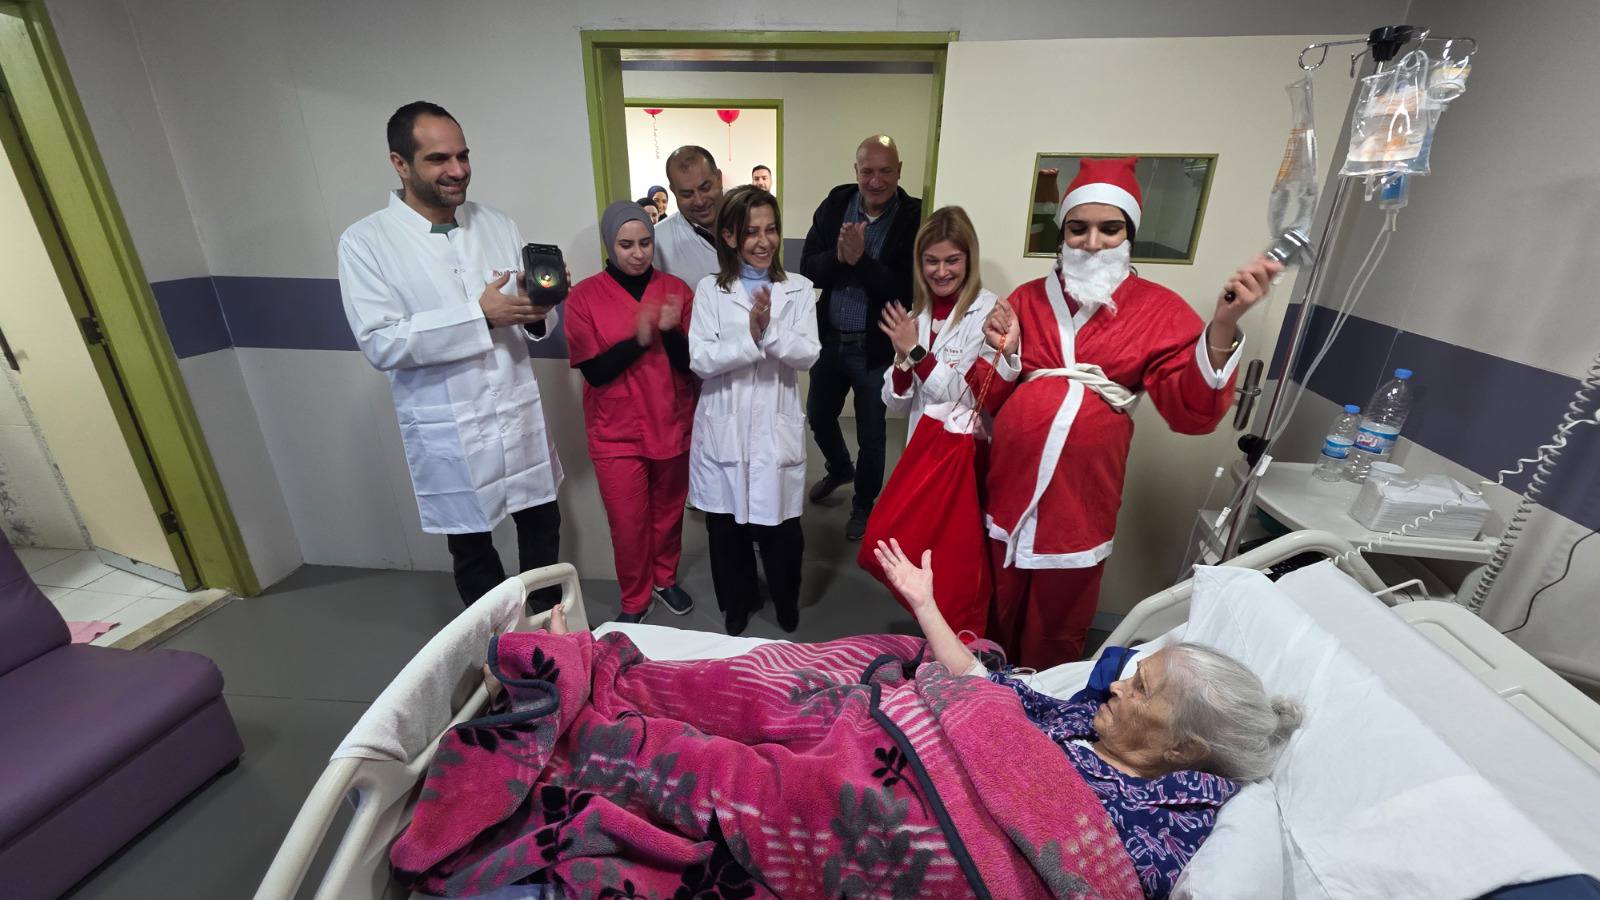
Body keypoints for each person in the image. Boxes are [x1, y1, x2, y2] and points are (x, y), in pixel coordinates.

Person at [973, 156, 1281, 667]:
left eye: (1109, 229)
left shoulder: (1159, 310)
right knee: (995, 602)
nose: (1092, 242)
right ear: (1062, 233)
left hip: (1081, 494)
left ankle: (1044, 698)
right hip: (1011, 484)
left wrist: (1224, 324)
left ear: (1129, 235)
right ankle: (985, 691)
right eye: (1078, 228)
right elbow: (987, 398)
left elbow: (1192, 413)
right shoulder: (1025, 299)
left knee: (1058, 618)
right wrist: (1002, 353)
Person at [874, 537, 1303, 899]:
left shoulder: (1160, 827)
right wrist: (925, 604)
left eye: (1140, 689)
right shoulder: (1084, 719)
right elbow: (981, 686)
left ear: (1183, 748)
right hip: (902, 751)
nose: (1115, 686)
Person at [338, 101, 563, 608]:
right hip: (449, 425)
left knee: (543, 527)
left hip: (516, 411)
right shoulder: (365, 243)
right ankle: (497, 642)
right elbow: (380, 341)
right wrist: (479, 316)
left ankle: (551, 634)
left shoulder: (497, 223)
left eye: (463, 155)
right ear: (400, 163)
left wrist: (539, 306)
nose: (457, 170)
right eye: (438, 159)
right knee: (472, 548)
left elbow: (534, 321)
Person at [688, 187, 819, 635]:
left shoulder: (798, 288)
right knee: (727, 529)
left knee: (782, 530)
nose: (764, 242)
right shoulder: (710, 290)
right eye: (751, 232)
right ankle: (737, 603)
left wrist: (769, 329)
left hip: (774, 426)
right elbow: (701, 359)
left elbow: (808, 354)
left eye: (771, 229)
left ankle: (785, 600)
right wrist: (749, 337)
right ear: (729, 236)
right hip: (724, 425)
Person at [564, 201, 698, 624]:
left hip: (671, 421)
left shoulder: (676, 290)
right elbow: (596, 372)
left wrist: (670, 333)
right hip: (615, 432)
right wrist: (639, 340)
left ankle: (664, 578)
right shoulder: (583, 298)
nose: (638, 253)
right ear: (610, 244)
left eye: (645, 243)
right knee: (627, 523)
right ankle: (635, 598)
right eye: (626, 245)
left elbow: (690, 365)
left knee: (669, 513)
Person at [800, 134, 923, 541]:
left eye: (886, 171)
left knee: (872, 434)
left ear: (899, 171)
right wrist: (839, 257)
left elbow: (905, 288)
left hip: (876, 348)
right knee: (818, 415)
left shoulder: (913, 217)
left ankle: (864, 505)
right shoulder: (836, 203)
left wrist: (860, 261)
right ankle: (839, 468)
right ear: (855, 171)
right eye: (867, 171)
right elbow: (808, 267)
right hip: (830, 341)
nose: (876, 180)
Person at [879, 205, 1000, 448]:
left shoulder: (988, 313)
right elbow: (897, 404)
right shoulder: (917, 315)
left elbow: (967, 398)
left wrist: (915, 352)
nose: (941, 272)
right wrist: (903, 361)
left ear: (969, 259)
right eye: (932, 261)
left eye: (952, 260)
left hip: (961, 450)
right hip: (921, 446)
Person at [654, 147, 723, 289]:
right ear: (673, 191)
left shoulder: (749, 218)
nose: (699, 201)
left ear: (719, 178)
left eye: (705, 188)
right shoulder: (657, 240)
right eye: (687, 194)